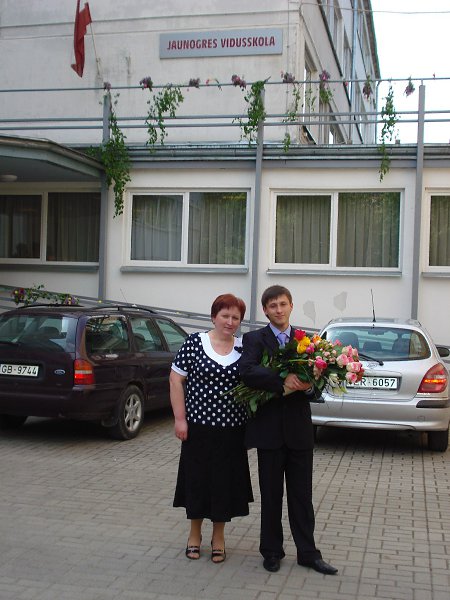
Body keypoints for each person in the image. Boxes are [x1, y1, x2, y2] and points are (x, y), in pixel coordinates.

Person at [239, 285, 338, 575]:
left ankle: (308, 553)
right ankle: (271, 551)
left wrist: (307, 386)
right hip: (269, 433)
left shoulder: (307, 341)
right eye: (272, 306)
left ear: (291, 306)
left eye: (283, 304)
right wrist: (283, 379)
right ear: (265, 310)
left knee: (302, 497)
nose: (278, 310)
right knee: (271, 497)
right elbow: (247, 371)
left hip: (299, 433)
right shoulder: (255, 339)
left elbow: (318, 384)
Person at [170, 293, 253, 564]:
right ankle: (194, 535)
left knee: (223, 485)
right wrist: (180, 419)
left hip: (232, 432)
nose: (230, 322)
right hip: (198, 429)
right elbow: (175, 380)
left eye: (235, 318)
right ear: (214, 317)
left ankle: (219, 537)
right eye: (225, 316)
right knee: (197, 481)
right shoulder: (195, 343)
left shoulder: (244, 348)